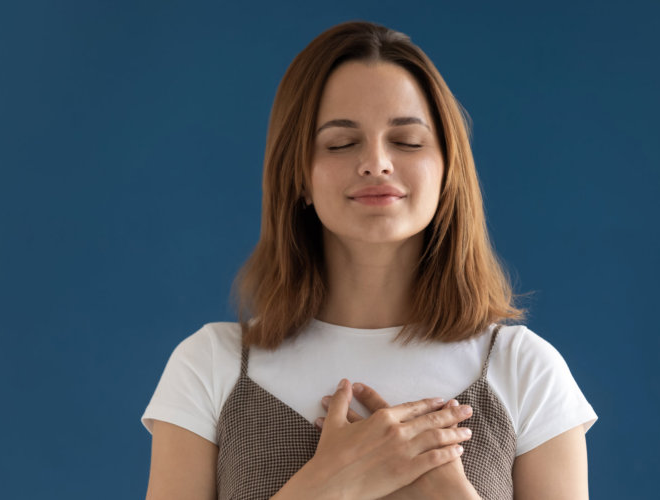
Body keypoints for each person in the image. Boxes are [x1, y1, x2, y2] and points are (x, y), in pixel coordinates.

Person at [142, 20, 597, 500]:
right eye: (341, 143)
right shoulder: (210, 366)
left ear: (448, 170)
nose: (377, 162)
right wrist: (325, 485)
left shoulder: (526, 369)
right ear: (297, 175)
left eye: (407, 142)